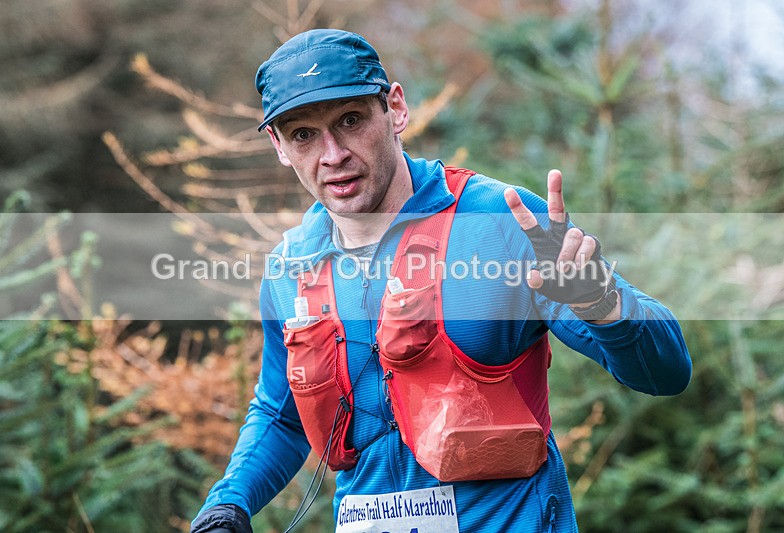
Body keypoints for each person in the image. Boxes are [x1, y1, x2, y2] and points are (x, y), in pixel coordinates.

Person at [190, 29, 691, 533]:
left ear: (396, 109)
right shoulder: (290, 267)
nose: (333, 153)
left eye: (351, 120)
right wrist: (227, 504)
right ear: (279, 146)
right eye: (303, 134)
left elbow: (666, 373)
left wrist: (603, 305)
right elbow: (281, 417)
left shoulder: (500, 223)